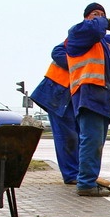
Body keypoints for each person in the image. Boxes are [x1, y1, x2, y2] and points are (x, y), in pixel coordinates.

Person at [64, 2, 110, 197]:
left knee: (96, 143)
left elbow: (104, 71)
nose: (99, 17)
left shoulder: (99, 45)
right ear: (86, 17)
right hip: (88, 95)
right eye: (95, 14)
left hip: (100, 98)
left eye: (102, 14)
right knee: (91, 141)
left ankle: (89, 180)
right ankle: (85, 184)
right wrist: (102, 20)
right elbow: (94, 28)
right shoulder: (78, 33)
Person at [29, 42, 79, 184]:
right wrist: (79, 64)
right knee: (66, 137)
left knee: (74, 137)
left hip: (67, 98)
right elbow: (57, 53)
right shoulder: (77, 40)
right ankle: (71, 175)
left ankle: (77, 173)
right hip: (55, 95)